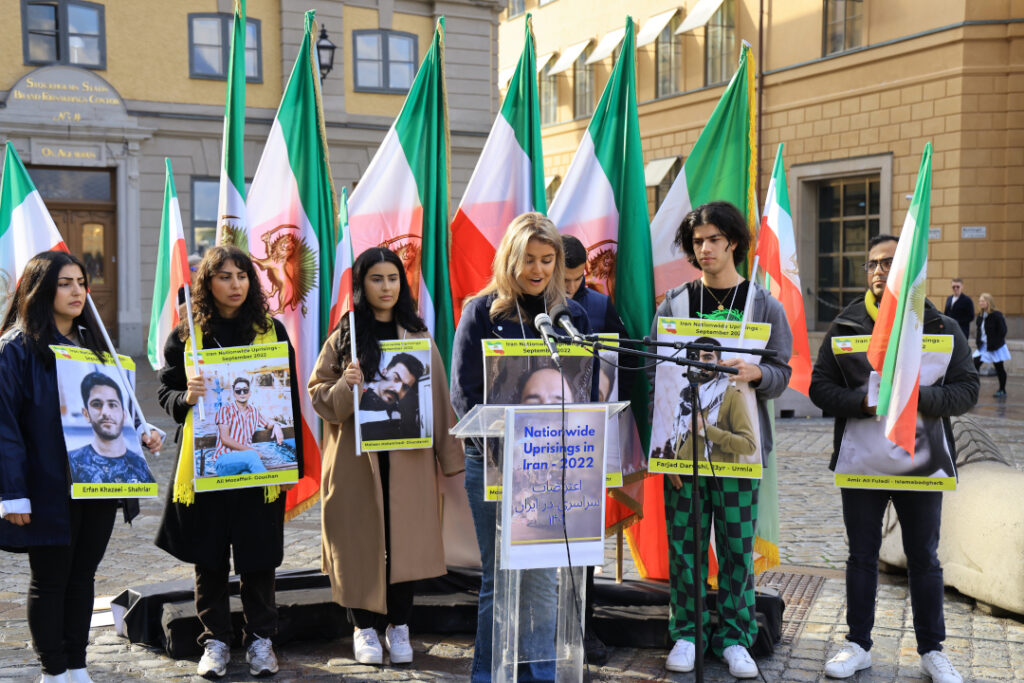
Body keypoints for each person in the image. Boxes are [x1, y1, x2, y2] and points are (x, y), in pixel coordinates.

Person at [810, 234, 978, 683]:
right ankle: (857, 645)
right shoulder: (846, 324)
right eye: (872, 264)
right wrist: (860, 404)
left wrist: (915, 397)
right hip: (861, 465)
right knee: (861, 555)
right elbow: (819, 388)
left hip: (921, 465)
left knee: (924, 556)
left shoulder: (942, 327)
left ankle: (932, 650)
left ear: (909, 271)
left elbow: (967, 390)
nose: (879, 271)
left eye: (888, 263)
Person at [0, 251, 162, 683]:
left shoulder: (95, 344)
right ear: (40, 289)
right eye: (65, 283)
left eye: (81, 282)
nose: (77, 291)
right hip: (47, 484)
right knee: (50, 579)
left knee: (83, 575)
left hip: (98, 483)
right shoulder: (17, 348)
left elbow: (120, 409)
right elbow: (5, 427)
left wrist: (143, 432)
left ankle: (76, 664)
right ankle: (52, 670)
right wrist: (12, 492)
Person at [451, 212, 594, 682]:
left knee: (545, 576)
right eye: (528, 259)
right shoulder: (481, 312)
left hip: (554, 466)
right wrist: (501, 448)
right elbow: (464, 394)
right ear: (509, 258)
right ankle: (489, 676)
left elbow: (585, 388)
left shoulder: (571, 317)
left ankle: (541, 674)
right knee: (503, 577)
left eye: (547, 260)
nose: (537, 270)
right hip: (493, 463)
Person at [653, 201, 793, 679]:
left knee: (735, 547)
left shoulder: (762, 303)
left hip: (739, 451)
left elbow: (783, 370)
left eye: (713, 239)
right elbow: (659, 378)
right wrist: (666, 453)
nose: (704, 248)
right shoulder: (674, 303)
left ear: (732, 241)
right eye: (697, 242)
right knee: (686, 546)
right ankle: (687, 633)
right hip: (684, 453)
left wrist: (760, 372)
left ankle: (736, 637)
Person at [309, 247, 464, 666]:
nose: (386, 287)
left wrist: (450, 459)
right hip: (356, 463)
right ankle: (363, 626)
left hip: (409, 461)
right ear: (361, 285)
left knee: (405, 544)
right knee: (358, 542)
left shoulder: (416, 334)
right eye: (376, 279)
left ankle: (399, 625)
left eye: (393, 278)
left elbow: (437, 399)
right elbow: (321, 399)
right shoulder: (345, 336)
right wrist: (347, 382)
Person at [154, 245, 303, 679]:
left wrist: (284, 445)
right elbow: (165, 392)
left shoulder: (271, 331)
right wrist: (187, 397)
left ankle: (261, 640)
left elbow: (285, 399)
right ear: (207, 282)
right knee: (210, 558)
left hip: (259, 473)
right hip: (207, 465)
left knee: (258, 558)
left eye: (242, 276)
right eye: (224, 276)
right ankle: (214, 640)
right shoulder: (188, 336)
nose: (235, 284)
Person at [672, 338, 756, 466]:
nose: (700, 363)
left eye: (707, 357)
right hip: (683, 471)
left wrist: (706, 430)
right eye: (694, 358)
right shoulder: (685, 395)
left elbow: (749, 446)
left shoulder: (732, 396)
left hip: (718, 476)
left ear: (719, 363)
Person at [68, 371, 156, 485]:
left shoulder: (139, 466)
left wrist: (144, 431)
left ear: (124, 414)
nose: (105, 412)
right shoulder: (74, 462)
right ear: (86, 413)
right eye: (96, 404)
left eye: (112, 405)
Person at [206, 376, 283, 477]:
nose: (242, 393)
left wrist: (277, 425)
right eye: (238, 391)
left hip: (244, 461)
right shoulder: (225, 410)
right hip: (224, 460)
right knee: (252, 456)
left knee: (248, 475)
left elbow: (267, 424)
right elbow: (225, 439)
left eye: (245, 390)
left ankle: (266, 488)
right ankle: (272, 486)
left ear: (249, 393)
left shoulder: (254, 412)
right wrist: (252, 451)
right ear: (234, 394)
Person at [359, 352, 426, 441]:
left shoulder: (404, 417)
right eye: (396, 378)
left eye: (405, 387)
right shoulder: (358, 399)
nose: (398, 390)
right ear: (384, 372)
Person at [973, 292, 1009, 398]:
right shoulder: (980, 316)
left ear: (988, 302)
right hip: (983, 346)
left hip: (995, 347)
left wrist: (996, 342)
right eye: (979, 301)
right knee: (974, 366)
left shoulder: (996, 315)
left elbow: (1003, 331)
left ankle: (1002, 390)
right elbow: (979, 331)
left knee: (999, 368)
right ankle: (974, 388)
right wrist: (978, 342)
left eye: (982, 301)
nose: (980, 303)